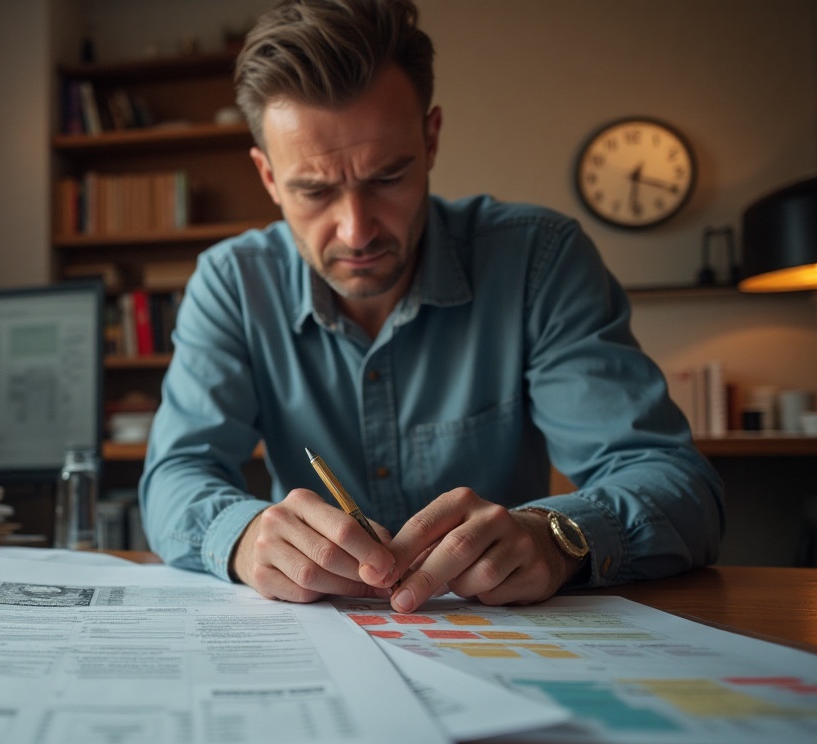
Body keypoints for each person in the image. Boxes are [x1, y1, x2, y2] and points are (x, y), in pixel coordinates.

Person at [139, 0, 724, 613]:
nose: (357, 231)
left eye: (388, 177)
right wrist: (244, 537)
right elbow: (175, 478)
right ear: (267, 176)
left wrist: (556, 537)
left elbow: (680, 488)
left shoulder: (539, 261)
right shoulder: (233, 283)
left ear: (432, 138)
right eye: (313, 190)